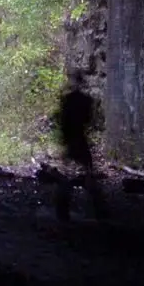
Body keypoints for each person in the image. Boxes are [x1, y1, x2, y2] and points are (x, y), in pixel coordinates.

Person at [53, 70, 108, 220]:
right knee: (89, 176)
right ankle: (99, 211)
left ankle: (62, 212)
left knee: (67, 177)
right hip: (80, 139)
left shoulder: (66, 100)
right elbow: (89, 120)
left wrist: (63, 140)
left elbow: (62, 122)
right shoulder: (86, 100)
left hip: (71, 140)